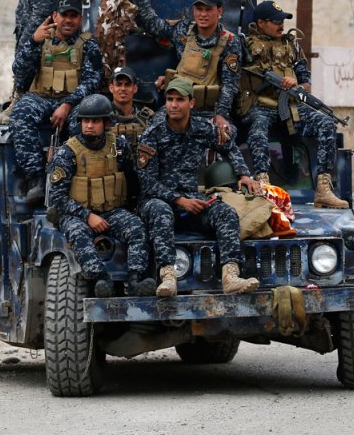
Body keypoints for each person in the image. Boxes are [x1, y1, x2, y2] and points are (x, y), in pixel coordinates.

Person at [136, 78, 260, 297]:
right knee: (160, 211)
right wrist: (178, 200)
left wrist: (243, 174)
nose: (173, 105)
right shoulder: (152, 134)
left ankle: (230, 276)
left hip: (191, 200)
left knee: (225, 213)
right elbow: (146, 182)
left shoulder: (202, 129)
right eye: (170, 99)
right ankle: (168, 277)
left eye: (179, 100)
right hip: (158, 200)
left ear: (191, 103)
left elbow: (229, 146)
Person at [240, 0, 348, 208]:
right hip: (259, 105)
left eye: (282, 21)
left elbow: (306, 83)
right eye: (275, 21)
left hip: (290, 106)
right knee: (258, 128)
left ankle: (323, 188)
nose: (281, 25)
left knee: (326, 123)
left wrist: (296, 84)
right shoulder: (244, 45)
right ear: (261, 23)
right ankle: (263, 187)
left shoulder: (291, 45)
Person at [48, 94, 155, 298]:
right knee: (78, 234)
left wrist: (133, 206)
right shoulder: (67, 153)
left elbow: (130, 178)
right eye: (86, 121)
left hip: (112, 210)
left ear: (106, 122)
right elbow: (58, 198)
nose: (89, 125)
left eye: (95, 121)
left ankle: (135, 280)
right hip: (78, 215)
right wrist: (88, 216)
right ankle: (100, 280)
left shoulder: (117, 146)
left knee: (137, 228)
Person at [125, 0, 241, 145]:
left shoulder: (229, 41)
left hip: (207, 111)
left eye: (208, 10)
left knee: (225, 138)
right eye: (199, 9)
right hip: (176, 106)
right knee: (148, 137)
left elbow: (230, 85)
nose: (203, 14)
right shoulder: (182, 30)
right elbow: (153, 24)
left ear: (219, 11)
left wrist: (221, 115)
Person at [9, 0, 103, 202]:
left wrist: (68, 104)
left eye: (74, 15)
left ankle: (76, 180)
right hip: (42, 98)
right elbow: (20, 72)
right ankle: (36, 179)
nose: (68, 20)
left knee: (86, 123)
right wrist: (33, 42)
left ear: (80, 18)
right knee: (21, 114)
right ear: (55, 16)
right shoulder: (41, 39)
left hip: (74, 101)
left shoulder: (88, 45)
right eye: (64, 15)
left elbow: (92, 81)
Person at [109, 66, 154, 149]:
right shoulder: (102, 118)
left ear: (135, 88)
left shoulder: (147, 119)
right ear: (111, 88)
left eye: (127, 85)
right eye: (118, 84)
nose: (123, 88)